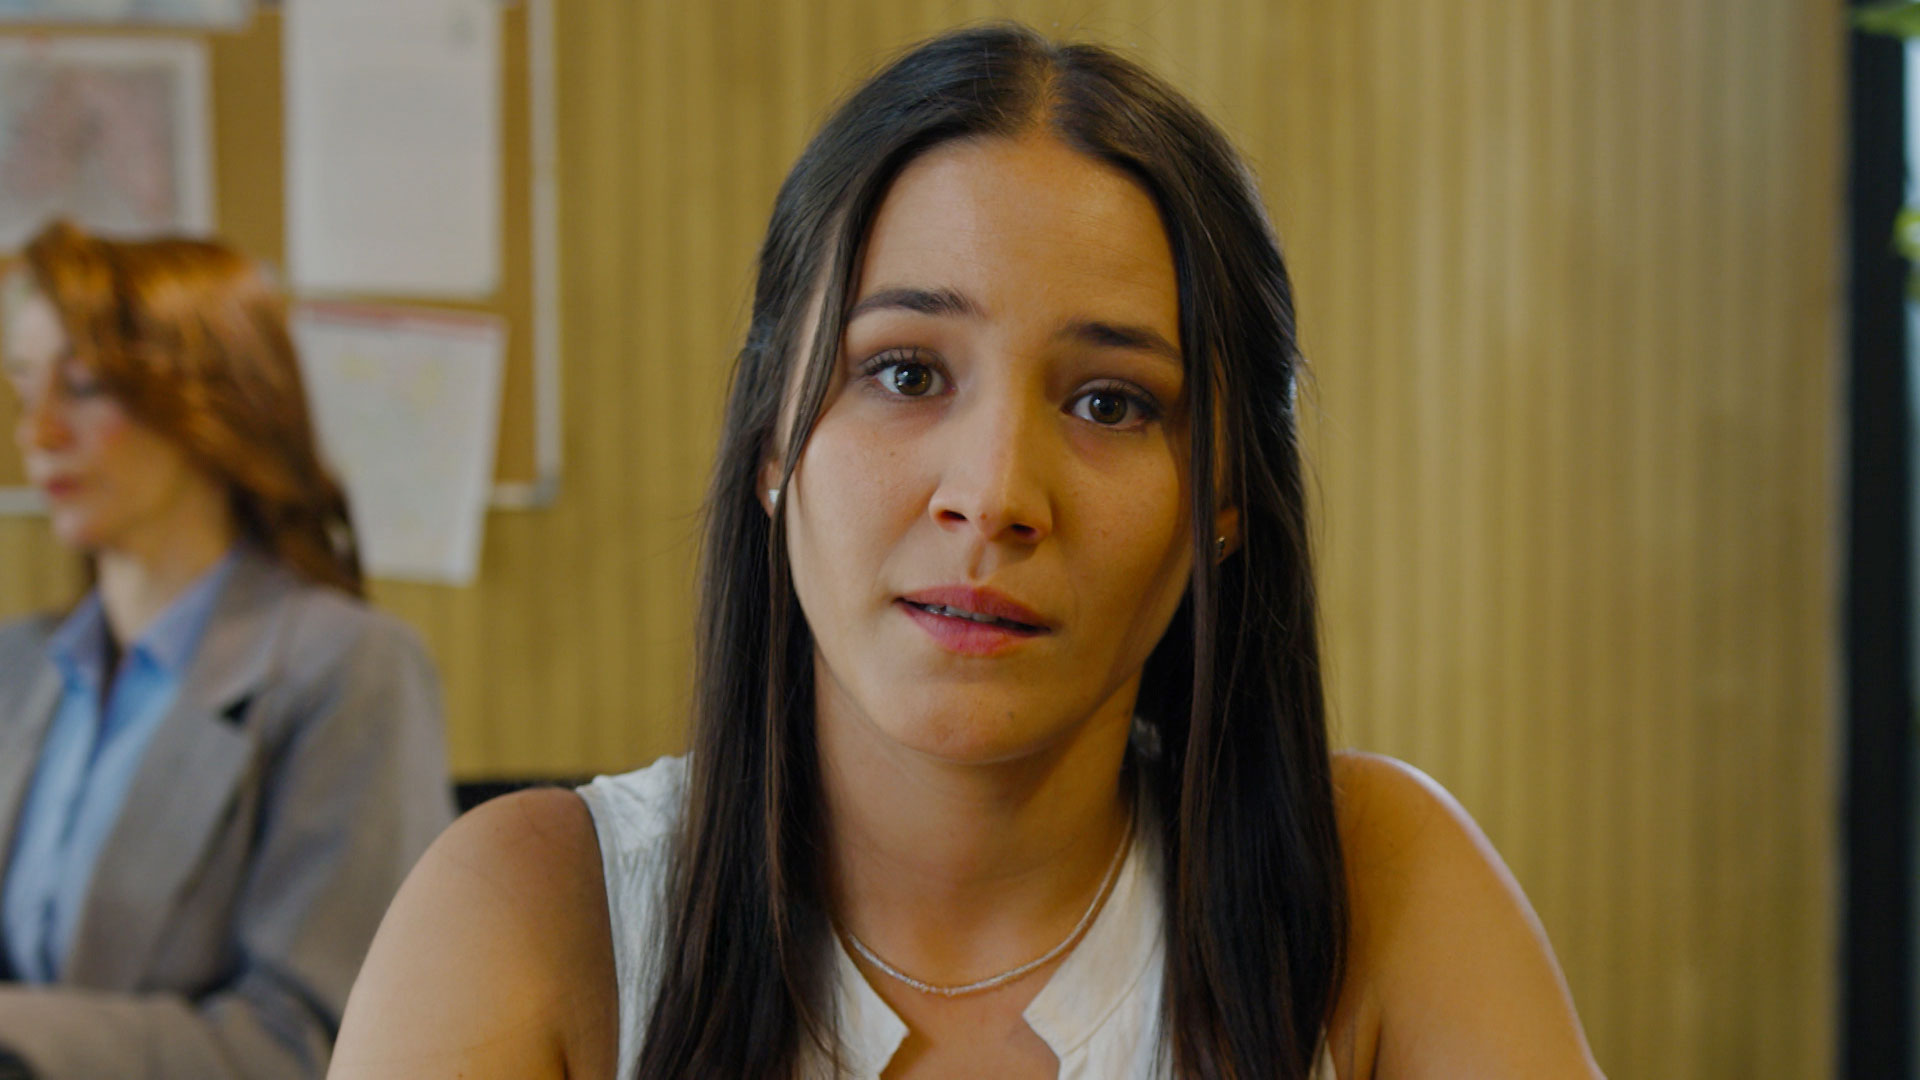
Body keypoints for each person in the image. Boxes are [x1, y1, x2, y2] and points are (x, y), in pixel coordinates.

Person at [329, 23, 1605, 1080]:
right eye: (904, 372)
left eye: (1110, 402)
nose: (993, 496)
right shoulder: (535, 912)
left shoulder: (1370, 887)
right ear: (772, 445)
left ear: (1223, 501)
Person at [0, 221, 454, 1079]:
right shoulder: (18, 668)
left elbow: (315, 1042)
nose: (39, 430)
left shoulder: (350, 670)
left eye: (84, 385)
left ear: (211, 404)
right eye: (24, 386)